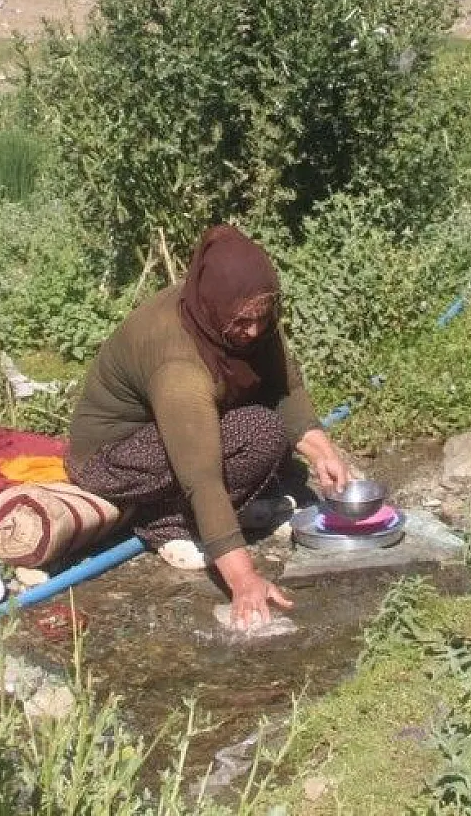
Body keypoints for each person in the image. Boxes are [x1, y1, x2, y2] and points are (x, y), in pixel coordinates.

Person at [65, 223, 353, 629]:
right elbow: (201, 475)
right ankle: (167, 525)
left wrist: (324, 453)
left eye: (262, 318)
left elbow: (283, 387)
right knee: (260, 434)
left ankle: (211, 518)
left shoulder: (242, 315)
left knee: (272, 437)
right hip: (111, 459)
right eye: (242, 323)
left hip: (171, 435)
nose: (253, 331)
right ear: (215, 308)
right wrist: (243, 578)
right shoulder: (178, 365)